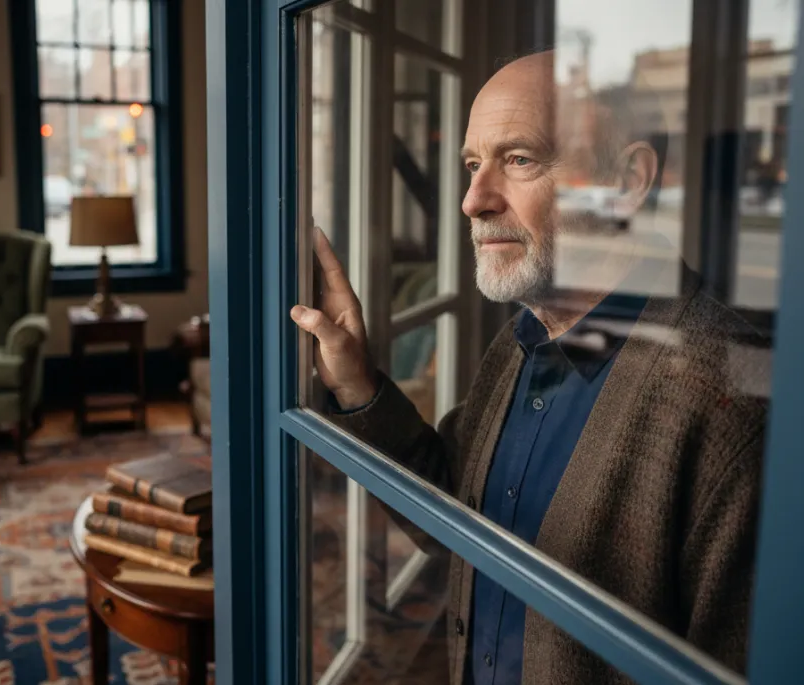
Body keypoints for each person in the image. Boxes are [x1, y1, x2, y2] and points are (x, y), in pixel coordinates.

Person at [291, 51, 766, 685]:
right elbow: (458, 518)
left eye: (519, 160)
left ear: (626, 182)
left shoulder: (731, 400)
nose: (472, 201)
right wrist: (355, 381)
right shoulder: (522, 338)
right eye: (471, 164)